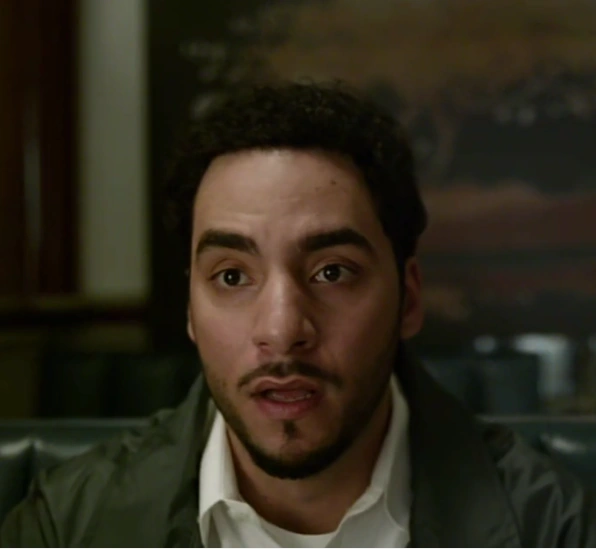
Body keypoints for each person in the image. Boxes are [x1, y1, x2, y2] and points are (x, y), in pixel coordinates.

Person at [2, 81, 595, 548]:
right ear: (190, 309)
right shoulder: (64, 527)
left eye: (332, 272)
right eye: (232, 277)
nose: (282, 331)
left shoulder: (553, 528)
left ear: (409, 299)